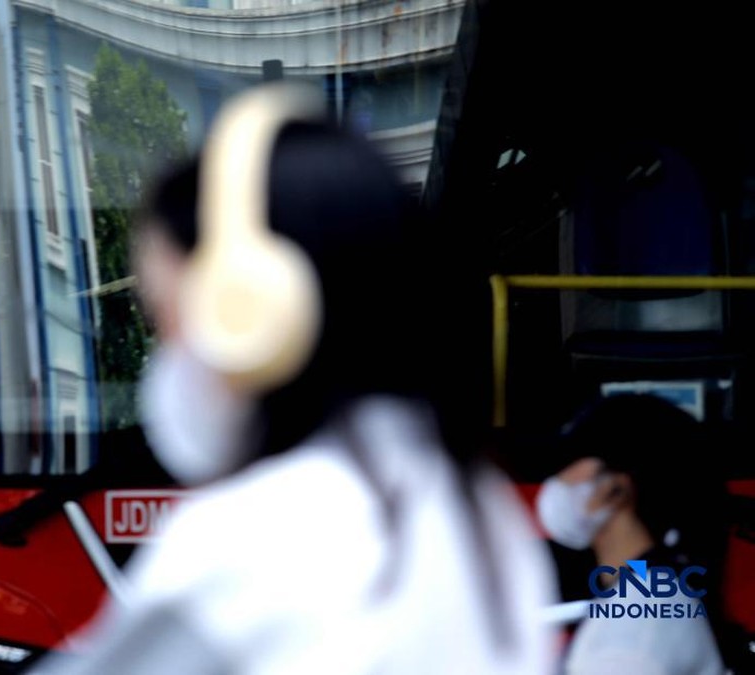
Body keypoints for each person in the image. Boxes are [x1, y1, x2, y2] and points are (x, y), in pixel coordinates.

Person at [31, 84, 559, 673]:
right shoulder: (480, 514)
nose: (170, 358)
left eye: (167, 318)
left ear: (252, 317)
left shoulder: (257, 537)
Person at [538, 394, 737, 674]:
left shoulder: (634, 630)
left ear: (615, 488)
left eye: (571, 461)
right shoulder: (652, 600)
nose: (558, 478)